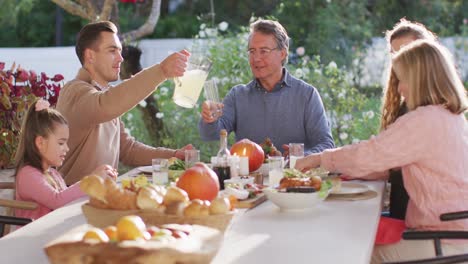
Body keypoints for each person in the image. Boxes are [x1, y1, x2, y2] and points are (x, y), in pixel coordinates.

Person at [295, 40, 468, 263]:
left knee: (349, 252)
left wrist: (320, 159)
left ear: (418, 81)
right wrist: (340, 168)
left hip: (445, 239)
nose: (399, 89)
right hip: (456, 233)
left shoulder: (424, 121)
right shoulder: (450, 117)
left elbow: (369, 155)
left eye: (402, 80)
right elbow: (384, 162)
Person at [56, 21, 192, 185]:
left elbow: (127, 149)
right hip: (74, 204)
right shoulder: (75, 91)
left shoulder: (103, 96)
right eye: (112, 51)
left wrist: (174, 156)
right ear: (90, 55)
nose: (121, 58)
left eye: (120, 51)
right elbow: (107, 105)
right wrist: (161, 71)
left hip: (101, 198)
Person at [198, 19, 334, 156]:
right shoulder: (237, 95)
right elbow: (211, 135)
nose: (256, 58)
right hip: (248, 177)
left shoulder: (307, 95)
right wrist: (209, 119)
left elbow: (326, 144)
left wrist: (300, 156)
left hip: (294, 176)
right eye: (252, 51)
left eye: (263, 51)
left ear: (283, 53)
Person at [14, 99, 117, 220]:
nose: (67, 148)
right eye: (61, 143)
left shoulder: (53, 173)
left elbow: (68, 199)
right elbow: (57, 200)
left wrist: (99, 184)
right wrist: (91, 180)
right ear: (40, 142)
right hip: (33, 237)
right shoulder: (28, 174)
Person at [383, 18, 438, 220]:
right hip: (404, 209)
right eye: (395, 54)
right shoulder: (407, 99)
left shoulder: (431, 107)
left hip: (420, 219)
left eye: (406, 51)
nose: (399, 59)